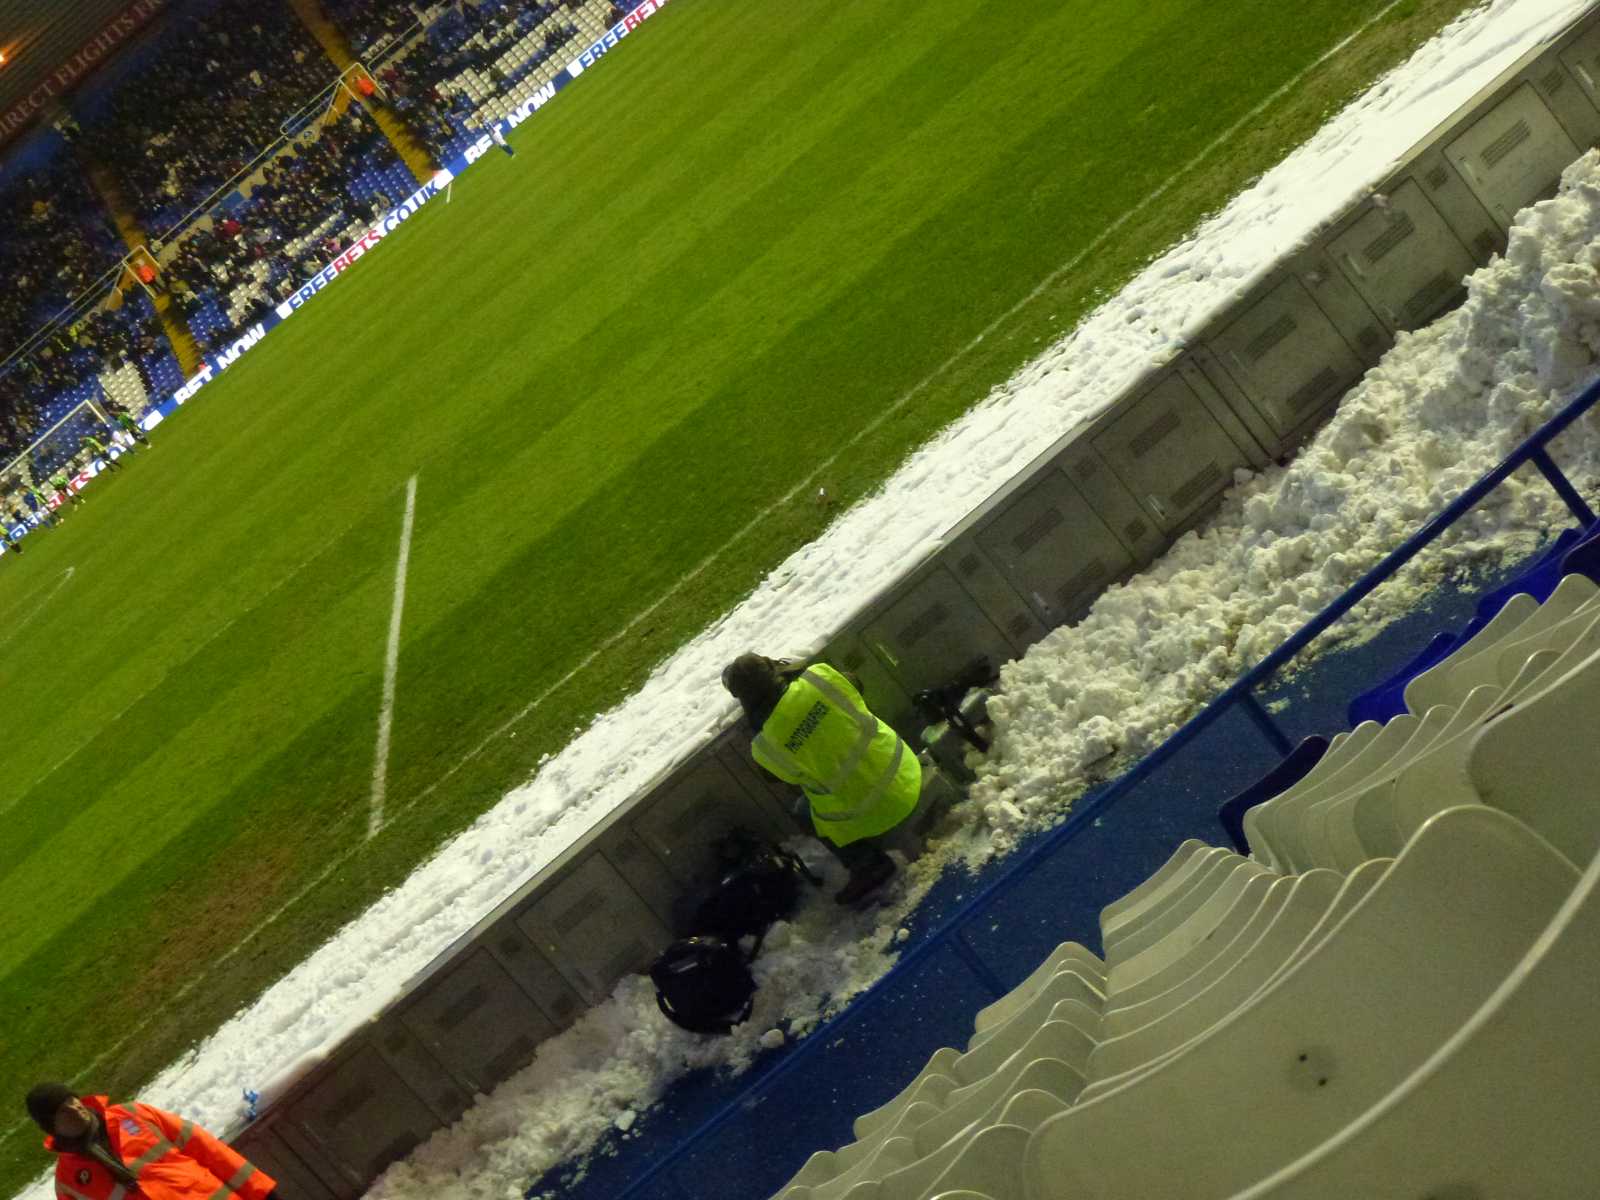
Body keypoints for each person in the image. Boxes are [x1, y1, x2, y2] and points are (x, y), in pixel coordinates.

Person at [722, 653, 922, 904]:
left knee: (802, 808)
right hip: (906, 773)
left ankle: (866, 864)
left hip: (869, 813)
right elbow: (855, 683)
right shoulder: (820, 677)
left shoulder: (764, 747)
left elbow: (777, 777)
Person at [25, 1085, 281, 1200]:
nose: (74, 1107)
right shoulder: (69, 1183)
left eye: (71, 1099)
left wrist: (262, 1191)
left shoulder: (134, 1114)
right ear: (51, 1127)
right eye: (61, 1109)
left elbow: (208, 1149)